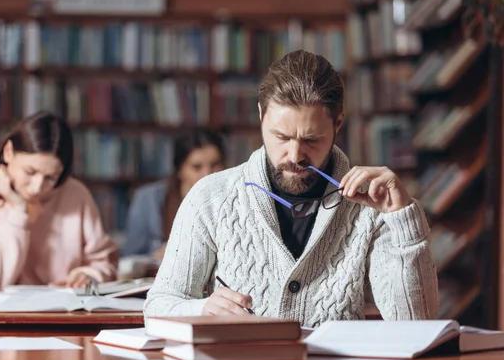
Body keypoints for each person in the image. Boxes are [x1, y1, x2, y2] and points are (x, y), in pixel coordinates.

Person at [144, 50, 438, 326]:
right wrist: (202, 308)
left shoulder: (373, 205)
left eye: (311, 139)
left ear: (338, 123)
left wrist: (402, 220)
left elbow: (416, 325)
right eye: (281, 137)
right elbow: (158, 307)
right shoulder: (210, 197)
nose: (295, 155)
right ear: (261, 116)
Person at [0, 111, 118, 302]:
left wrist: (91, 275)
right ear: (8, 152)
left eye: (50, 177)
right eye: (30, 172)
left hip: (64, 315)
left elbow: (106, 264)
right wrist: (17, 211)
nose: (37, 187)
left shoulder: (75, 194)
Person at [122, 128, 226, 260]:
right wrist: (156, 257)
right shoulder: (148, 199)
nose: (207, 174)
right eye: (196, 167)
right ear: (180, 170)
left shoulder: (236, 199)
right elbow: (129, 259)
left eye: (215, 164)